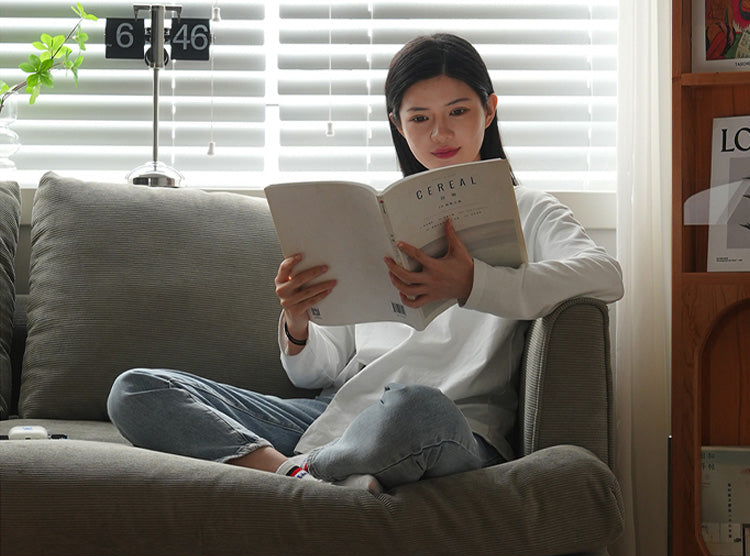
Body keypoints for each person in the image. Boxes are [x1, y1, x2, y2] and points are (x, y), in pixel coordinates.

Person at [107, 33, 624, 492]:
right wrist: (298, 321)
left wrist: (473, 283)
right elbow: (319, 374)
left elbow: (606, 275)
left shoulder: (528, 208)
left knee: (414, 406)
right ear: (398, 124)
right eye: (420, 118)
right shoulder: (376, 218)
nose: (440, 134)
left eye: (458, 111)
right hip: (337, 415)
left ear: (489, 110)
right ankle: (293, 477)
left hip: (447, 423)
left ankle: (313, 476)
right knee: (137, 389)